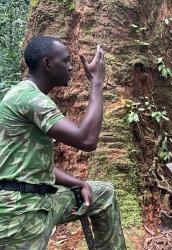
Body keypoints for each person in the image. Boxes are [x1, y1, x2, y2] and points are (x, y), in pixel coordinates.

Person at [0, 36, 127, 249]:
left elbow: (32, 164)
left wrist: (77, 183)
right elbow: (86, 139)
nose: (70, 67)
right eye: (66, 61)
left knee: (103, 193)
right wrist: (96, 82)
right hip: (19, 212)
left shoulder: (23, 95)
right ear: (47, 64)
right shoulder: (29, 98)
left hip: (42, 200)